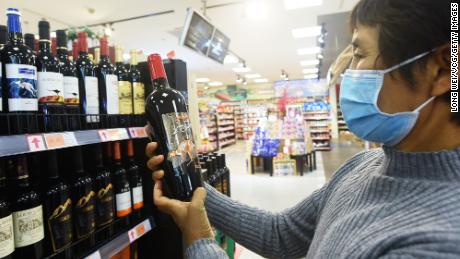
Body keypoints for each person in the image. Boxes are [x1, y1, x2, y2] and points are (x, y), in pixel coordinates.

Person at [147, 0, 460, 258]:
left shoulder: (437, 242)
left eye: (360, 55)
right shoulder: (366, 164)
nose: (349, 75)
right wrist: (190, 185)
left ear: (441, 69)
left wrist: (199, 239)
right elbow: (282, 235)